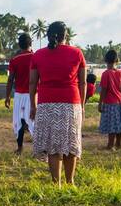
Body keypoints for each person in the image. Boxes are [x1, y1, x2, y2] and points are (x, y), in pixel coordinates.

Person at [30, 21, 86, 183]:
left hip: (46, 104)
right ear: (65, 35)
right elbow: (82, 83)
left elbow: (33, 83)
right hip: (71, 103)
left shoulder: (38, 55)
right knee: (70, 144)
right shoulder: (76, 53)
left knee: (53, 147)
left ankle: (57, 183)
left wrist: (33, 105)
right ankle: (70, 181)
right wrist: (81, 106)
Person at [4, 32, 36, 153]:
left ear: (19, 45)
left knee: (20, 121)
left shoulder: (14, 60)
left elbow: (10, 79)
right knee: (35, 121)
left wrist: (7, 97)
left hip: (19, 95)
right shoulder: (36, 57)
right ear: (31, 43)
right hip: (34, 94)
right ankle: (40, 149)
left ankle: (19, 147)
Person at [97, 48, 121, 150]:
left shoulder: (106, 74)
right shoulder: (120, 73)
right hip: (120, 102)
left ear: (106, 60)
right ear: (117, 60)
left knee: (111, 126)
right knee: (119, 125)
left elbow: (104, 90)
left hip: (110, 103)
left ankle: (110, 145)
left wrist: (100, 103)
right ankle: (118, 144)